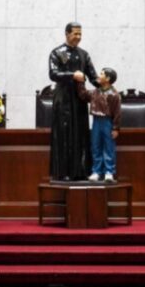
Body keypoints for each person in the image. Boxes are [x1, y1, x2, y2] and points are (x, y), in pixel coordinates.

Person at [48, 22, 99, 181]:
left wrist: (106, 85)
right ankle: (63, 172)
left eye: (80, 34)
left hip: (79, 99)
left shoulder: (84, 54)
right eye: (75, 33)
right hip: (63, 100)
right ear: (67, 34)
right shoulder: (57, 52)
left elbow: (93, 77)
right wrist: (72, 75)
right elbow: (53, 74)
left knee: (81, 134)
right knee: (63, 135)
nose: (78, 37)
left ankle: (80, 171)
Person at [77, 67, 121, 183]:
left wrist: (116, 128)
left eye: (101, 74)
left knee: (108, 147)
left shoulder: (114, 95)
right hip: (96, 121)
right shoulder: (95, 92)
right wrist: (80, 82)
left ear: (108, 78)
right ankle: (96, 171)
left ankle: (109, 172)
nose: (98, 76)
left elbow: (117, 112)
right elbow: (83, 95)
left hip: (108, 122)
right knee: (95, 146)